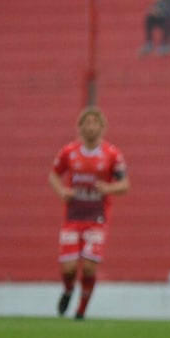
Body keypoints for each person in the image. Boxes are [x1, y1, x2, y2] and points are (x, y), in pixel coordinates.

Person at [49, 107, 130, 320]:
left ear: (102, 127)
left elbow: (124, 185)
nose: (91, 126)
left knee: (88, 269)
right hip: (73, 218)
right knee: (68, 269)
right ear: (80, 127)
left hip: (97, 219)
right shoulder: (69, 152)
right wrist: (62, 191)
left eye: (95, 123)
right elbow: (53, 175)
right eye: (87, 122)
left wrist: (108, 189)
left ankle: (81, 311)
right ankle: (67, 290)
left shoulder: (112, 154)